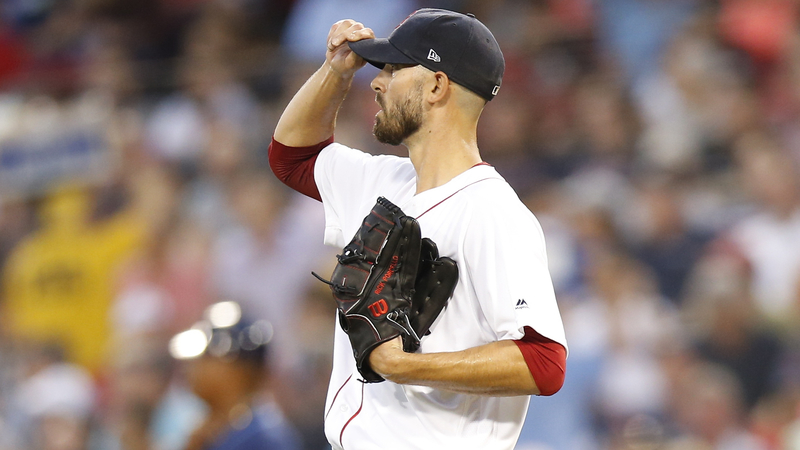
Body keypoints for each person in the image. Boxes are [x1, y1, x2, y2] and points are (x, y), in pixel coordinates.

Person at [269, 8, 568, 450]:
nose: (375, 82)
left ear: (436, 85)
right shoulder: (383, 180)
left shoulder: (492, 211)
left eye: (393, 69)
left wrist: (400, 364)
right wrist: (334, 73)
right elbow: (291, 157)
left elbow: (544, 363)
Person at [169, 301, 301, 450]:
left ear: (237, 369)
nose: (192, 366)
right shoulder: (213, 428)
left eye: (205, 358)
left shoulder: (263, 438)